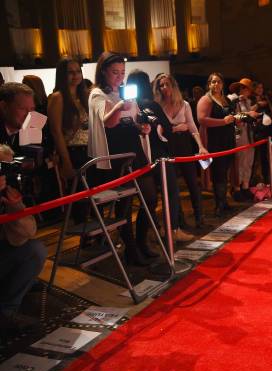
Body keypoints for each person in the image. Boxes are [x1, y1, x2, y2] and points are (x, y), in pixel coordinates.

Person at [88, 52, 151, 266]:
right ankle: (131, 249)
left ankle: (142, 242)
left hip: (134, 148)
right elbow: (107, 123)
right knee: (124, 203)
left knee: (150, 197)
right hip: (117, 153)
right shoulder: (97, 94)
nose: (119, 77)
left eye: (122, 72)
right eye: (115, 72)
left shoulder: (124, 92)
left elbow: (132, 119)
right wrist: (119, 106)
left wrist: (142, 127)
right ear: (103, 72)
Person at [126, 69, 193, 243]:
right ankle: (171, 230)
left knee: (148, 198)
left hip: (139, 157)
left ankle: (155, 230)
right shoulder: (151, 105)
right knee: (170, 192)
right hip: (158, 155)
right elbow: (168, 129)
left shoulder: (127, 105)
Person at [0, 144, 46, 334]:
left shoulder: (8, 190)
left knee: (35, 250)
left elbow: (29, 232)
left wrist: (15, 208)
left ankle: (6, 312)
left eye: (7, 167)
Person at [153, 73, 208, 228]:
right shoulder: (158, 106)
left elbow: (191, 126)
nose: (164, 88)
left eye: (167, 84)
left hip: (184, 144)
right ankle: (180, 221)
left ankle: (199, 218)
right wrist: (174, 128)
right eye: (161, 85)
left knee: (192, 182)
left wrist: (201, 146)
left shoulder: (184, 104)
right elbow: (159, 130)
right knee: (172, 186)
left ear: (173, 85)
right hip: (167, 145)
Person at [47, 57, 90, 224]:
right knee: (80, 198)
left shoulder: (84, 95)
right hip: (73, 151)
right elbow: (56, 132)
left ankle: (98, 238)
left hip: (89, 149)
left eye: (78, 71)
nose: (75, 75)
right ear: (62, 75)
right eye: (70, 72)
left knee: (93, 197)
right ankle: (86, 240)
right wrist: (66, 161)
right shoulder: (58, 97)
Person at [197, 72, 236, 217]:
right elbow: (201, 119)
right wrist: (223, 121)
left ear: (222, 84)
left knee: (224, 171)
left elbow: (231, 116)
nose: (216, 84)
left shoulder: (226, 99)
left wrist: (236, 119)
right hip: (213, 140)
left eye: (218, 81)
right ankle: (218, 204)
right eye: (213, 82)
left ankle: (224, 202)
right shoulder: (205, 99)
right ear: (209, 84)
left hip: (228, 139)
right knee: (218, 173)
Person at [228, 78, 258, 201]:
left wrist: (254, 116)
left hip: (249, 133)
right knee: (239, 161)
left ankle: (245, 186)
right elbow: (233, 116)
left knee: (248, 161)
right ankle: (237, 188)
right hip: (239, 133)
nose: (247, 91)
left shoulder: (248, 101)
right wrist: (248, 115)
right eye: (245, 88)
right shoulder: (232, 100)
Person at [0, 82, 35, 153]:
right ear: (4, 107)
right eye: (22, 108)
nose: (29, 115)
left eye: (31, 109)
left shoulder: (30, 133)